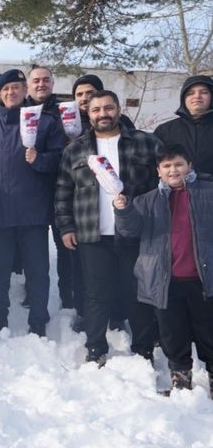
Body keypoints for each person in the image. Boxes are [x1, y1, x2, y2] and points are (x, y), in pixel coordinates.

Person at [54, 90, 160, 366]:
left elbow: (161, 187)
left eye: (108, 108)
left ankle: (143, 349)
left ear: (118, 109)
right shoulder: (75, 149)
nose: (103, 114)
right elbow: (63, 192)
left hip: (135, 233)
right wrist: (66, 227)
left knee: (137, 293)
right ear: (88, 114)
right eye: (96, 109)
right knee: (95, 294)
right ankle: (95, 347)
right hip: (92, 233)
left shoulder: (146, 143)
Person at [0, 69, 64, 340]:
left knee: (38, 272)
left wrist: (39, 159)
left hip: (32, 214)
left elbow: (59, 160)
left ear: (25, 90)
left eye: (16, 88)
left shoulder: (45, 123)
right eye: (6, 89)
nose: (11, 93)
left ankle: (39, 321)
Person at [114, 144, 213, 394]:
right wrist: (123, 210)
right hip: (165, 281)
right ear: (158, 171)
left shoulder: (207, 192)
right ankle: (180, 378)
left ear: (189, 165)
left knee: (209, 330)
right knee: (172, 333)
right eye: (167, 166)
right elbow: (129, 231)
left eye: (179, 164)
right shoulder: (147, 201)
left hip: (203, 279)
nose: (173, 170)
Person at [25, 66, 86, 326]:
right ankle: (31, 295)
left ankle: (68, 298)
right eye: (36, 80)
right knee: (34, 252)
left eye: (46, 80)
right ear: (28, 85)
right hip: (30, 192)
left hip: (64, 189)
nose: (41, 84)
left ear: (52, 83)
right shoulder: (21, 112)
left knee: (66, 247)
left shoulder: (65, 111)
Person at [154, 75, 213, 176]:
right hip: (177, 190)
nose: (197, 96)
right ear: (183, 99)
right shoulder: (165, 131)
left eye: (204, 92)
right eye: (190, 93)